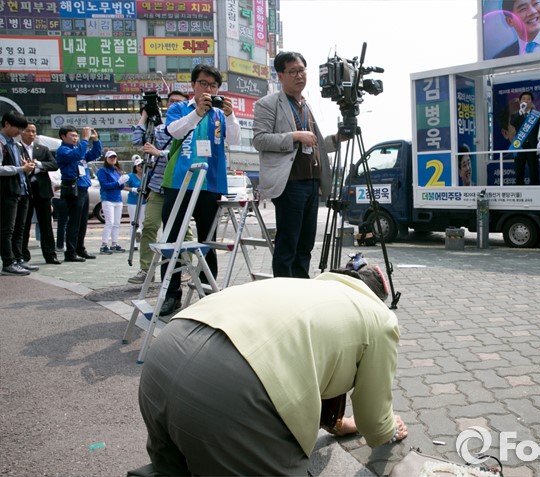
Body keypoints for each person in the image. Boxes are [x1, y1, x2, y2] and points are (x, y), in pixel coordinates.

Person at [137, 260, 407, 476]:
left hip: (163, 357)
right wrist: (388, 430)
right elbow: (374, 419)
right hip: (230, 390)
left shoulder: (304, 289)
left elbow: (315, 371)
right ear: (378, 298)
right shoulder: (379, 318)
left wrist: (340, 424)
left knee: (171, 470)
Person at [159, 65, 241, 315]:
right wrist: (197, 112)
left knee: (208, 240)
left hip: (210, 184)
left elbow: (234, 139)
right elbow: (173, 131)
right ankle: (170, 294)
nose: (208, 89)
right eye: (203, 84)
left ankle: (207, 293)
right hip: (179, 182)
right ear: (193, 85)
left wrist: (230, 115)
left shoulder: (220, 113)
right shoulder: (179, 108)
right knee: (172, 240)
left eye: (213, 85)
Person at [253, 51, 340, 278]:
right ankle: (283, 290)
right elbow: (260, 140)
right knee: (288, 244)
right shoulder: (268, 104)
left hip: (312, 182)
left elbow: (316, 144)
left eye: (302, 70)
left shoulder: (306, 105)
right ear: (280, 75)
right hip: (290, 183)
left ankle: (302, 287)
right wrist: (295, 136)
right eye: (293, 71)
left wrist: (337, 139)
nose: (299, 76)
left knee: (306, 244)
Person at [128, 90, 190, 285]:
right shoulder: (159, 129)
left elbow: (184, 155)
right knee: (149, 226)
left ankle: (185, 267)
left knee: (183, 230)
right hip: (157, 186)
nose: (174, 105)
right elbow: (136, 141)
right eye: (171, 101)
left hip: (179, 186)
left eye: (179, 102)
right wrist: (144, 116)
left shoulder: (191, 127)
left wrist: (159, 153)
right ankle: (146, 269)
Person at [56, 125, 102, 262]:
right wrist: (85, 139)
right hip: (73, 188)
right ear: (63, 137)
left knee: (82, 222)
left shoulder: (79, 149)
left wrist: (96, 140)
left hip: (83, 188)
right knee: (74, 222)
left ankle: (80, 248)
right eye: (72, 136)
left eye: (77, 136)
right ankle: (70, 252)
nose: (75, 138)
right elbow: (76, 155)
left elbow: (94, 154)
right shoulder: (63, 151)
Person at [19, 122, 60, 265]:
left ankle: (50, 254)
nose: (31, 134)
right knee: (23, 224)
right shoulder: (16, 148)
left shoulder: (42, 149)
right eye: (28, 131)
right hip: (25, 191)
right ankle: (22, 255)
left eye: (34, 131)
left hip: (42, 191)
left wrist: (38, 164)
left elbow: (54, 165)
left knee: (46, 225)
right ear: (21, 132)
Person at [0, 111, 35, 276]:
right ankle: (8, 262)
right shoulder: (1, 143)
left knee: (19, 228)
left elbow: (21, 167)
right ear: (6, 124)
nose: (20, 132)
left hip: (21, 189)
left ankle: (18, 259)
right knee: (7, 229)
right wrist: (21, 168)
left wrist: (26, 167)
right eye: (18, 128)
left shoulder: (15, 144)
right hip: (7, 191)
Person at [96, 151, 127, 254]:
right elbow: (105, 185)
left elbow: (121, 187)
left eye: (114, 157)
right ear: (106, 159)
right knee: (110, 222)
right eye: (110, 157)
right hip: (108, 199)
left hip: (118, 199)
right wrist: (118, 182)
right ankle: (104, 245)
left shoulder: (116, 170)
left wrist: (122, 182)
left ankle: (114, 244)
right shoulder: (102, 171)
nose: (113, 159)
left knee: (117, 223)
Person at [509, 91, 540, 185]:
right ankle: (520, 190)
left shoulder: (538, 115)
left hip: (532, 145)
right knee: (519, 170)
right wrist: (521, 112)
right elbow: (513, 122)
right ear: (520, 102)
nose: (526, 101)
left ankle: (535, 190)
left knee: (534, 171)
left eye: (528, 99)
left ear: (532, 102)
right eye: (523, 99)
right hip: (519, 145)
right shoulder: (516, 115)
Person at [125, 154, 145, 245]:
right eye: (138, 166)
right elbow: (123, 186)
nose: (140, 167)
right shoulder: (130, 176)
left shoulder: (146, 176)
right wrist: (133, 189)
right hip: (133, 202)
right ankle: (133, 243)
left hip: (144, 202)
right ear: (135, 167)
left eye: (142, 166)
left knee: (143, 222)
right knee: (133, 222)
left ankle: (142, 241)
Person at [49, 169, 68, 253]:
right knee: (62, 223)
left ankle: (61, 244)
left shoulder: (61, 170)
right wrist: (64, 184)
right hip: (58, 198)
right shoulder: (51, 172)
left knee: (64, 223)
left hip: (65, 198)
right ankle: (60, 245)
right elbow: (53, 185)